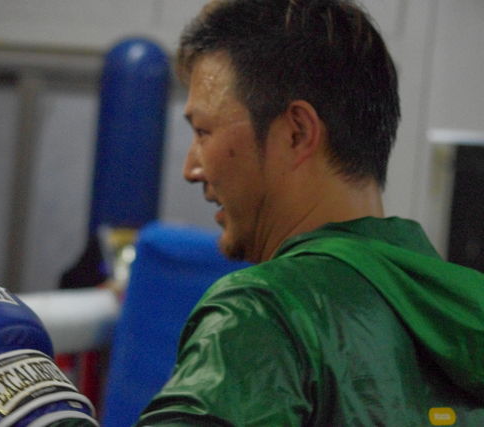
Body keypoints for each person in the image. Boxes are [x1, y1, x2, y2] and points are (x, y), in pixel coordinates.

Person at [133, 0, 484, 425]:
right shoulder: (462, 313)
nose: (191, 168)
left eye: (203, 131)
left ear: (296, 133)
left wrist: (58, 410)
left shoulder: (266, 313)